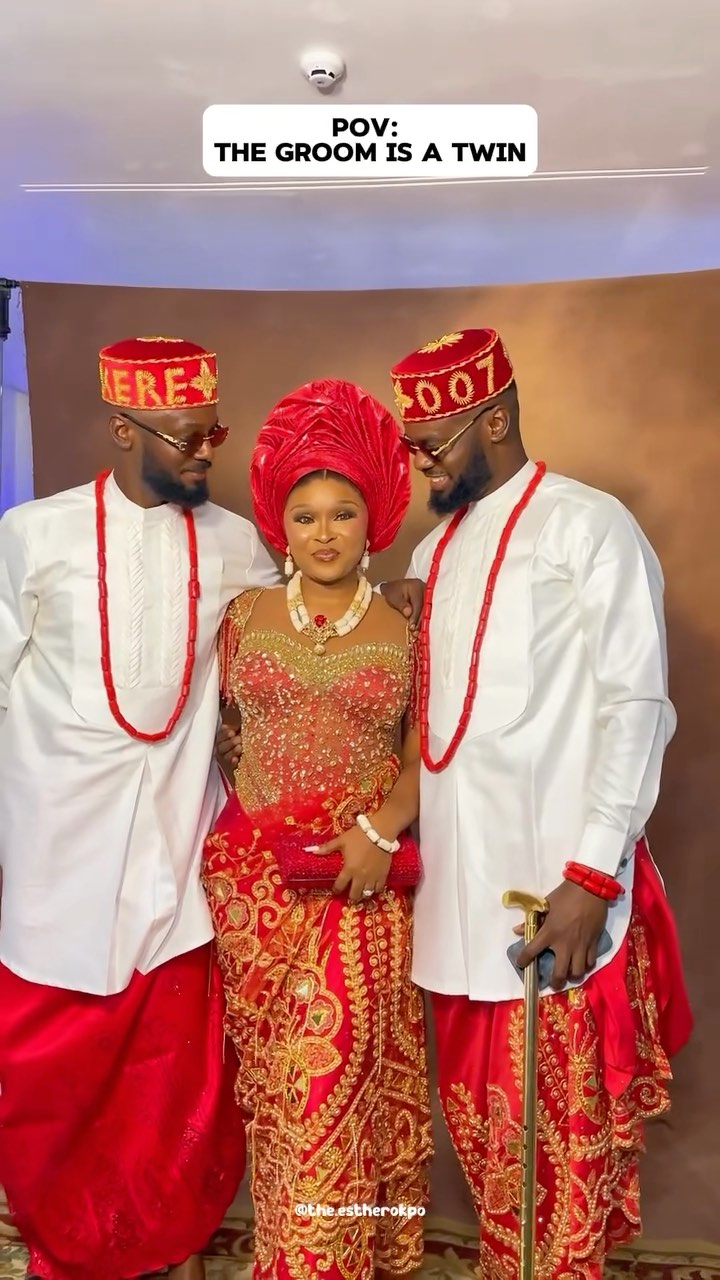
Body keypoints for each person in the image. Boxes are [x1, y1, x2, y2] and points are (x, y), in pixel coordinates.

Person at [377, 327, 694, 1279]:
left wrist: (591, 876)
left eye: (432, 445)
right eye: (411, 446)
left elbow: (637, 707)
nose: (421, 464)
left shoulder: (587, 527)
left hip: (551, 903)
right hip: (453, 915)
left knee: (557, 1162)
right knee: (492, 1161)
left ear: (495, 420)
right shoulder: (433, 553)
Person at [0, 336, 281, 1280]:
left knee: (170, 1077)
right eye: (185, 436)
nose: (205, 453)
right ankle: (66, 1244)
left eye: (213, 434)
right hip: (56, 851)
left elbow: (290, 644)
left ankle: (167, 1240)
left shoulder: (235, 543)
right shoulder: (33, 536)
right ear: (123, 430)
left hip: (174, 843)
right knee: (52, 1070)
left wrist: (382, 601)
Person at [201, 378, 434, 1280]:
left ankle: (317, 1265)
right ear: (280, 527)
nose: (324, 533)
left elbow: (430, 752)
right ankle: (294, 1251)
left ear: (374, 520)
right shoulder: (240, 617)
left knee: (330, 1085)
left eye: (343, 514)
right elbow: (213, 740)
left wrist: (380, 830)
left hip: (358, 887)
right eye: (305, 517)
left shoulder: (411, 622)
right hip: (255, 896)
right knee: (274, 1095)